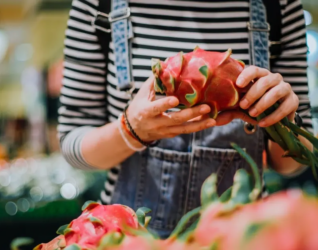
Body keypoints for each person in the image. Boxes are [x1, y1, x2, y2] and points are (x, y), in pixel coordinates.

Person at [58, 0, 313, 238]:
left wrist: (284, 119)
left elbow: (292, 164)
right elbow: (72, 144)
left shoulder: (278, 5)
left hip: (240, 237)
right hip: (130, 237)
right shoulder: (98, 4)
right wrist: (129, 131)